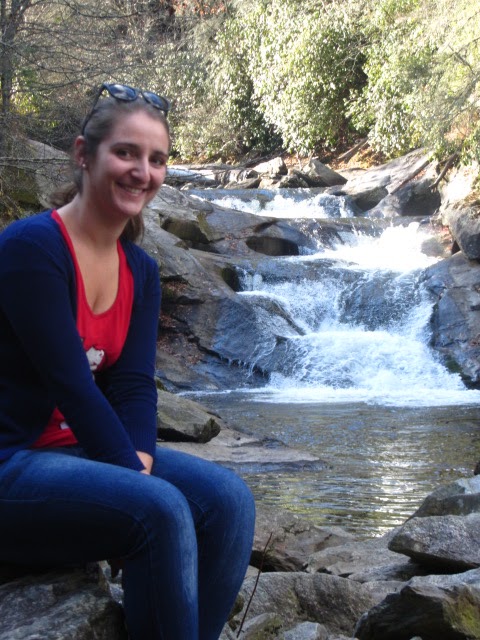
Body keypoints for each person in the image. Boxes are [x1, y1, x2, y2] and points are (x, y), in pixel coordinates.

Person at [0, 82, 255, 640]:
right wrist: (134, 478)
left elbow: (135, 385)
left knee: (229, 501)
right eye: (126, 153)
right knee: (159, 509)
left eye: (157, 159)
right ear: (83, 154)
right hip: (11, 461)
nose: (143, 172)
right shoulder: (31, 248)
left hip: (76, 455)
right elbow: (72, 385)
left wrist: (136, 461)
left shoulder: (139, 270)